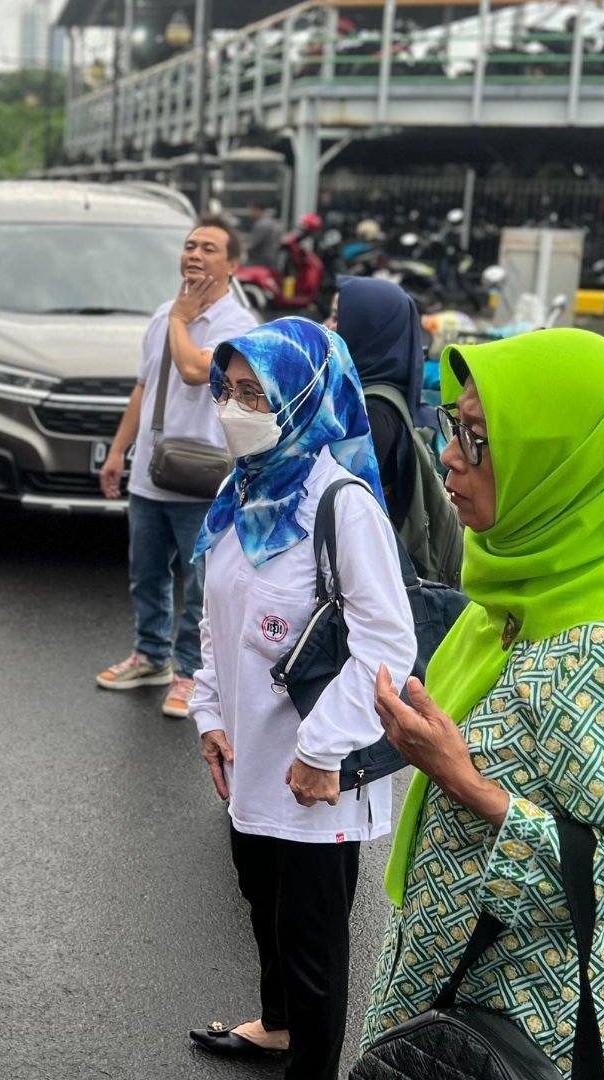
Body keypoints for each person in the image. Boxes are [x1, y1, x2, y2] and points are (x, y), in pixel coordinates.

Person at [364, 329, 604, 1078]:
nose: (450, 455)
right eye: (455, 427)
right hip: (463, 993)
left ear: (564, 463)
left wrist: (465, 781)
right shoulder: (515, 598)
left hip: (533, 1026)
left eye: (479, 439)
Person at [184, 317, 415, 1079]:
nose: (235, 408)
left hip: (321, 764)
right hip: (251, 750)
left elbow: (387, 642)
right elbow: (217, 617)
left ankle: (311, 1066)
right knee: (261, 898)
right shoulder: (239, 490)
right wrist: (210, 715)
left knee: (312, 936)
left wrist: (321, 752)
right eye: (230, 389)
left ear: (306, 396)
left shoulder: (339, 504)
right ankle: (278, 1025)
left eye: (257, 393)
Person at [97, 219, 257, 720]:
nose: (195, 254)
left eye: (209, 248)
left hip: (206, 476)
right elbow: (145, 387)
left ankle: (191, 671)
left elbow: (194, 370)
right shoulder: (166, 314)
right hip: (151, 472)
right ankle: (150, 656)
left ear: (232, 265)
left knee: (201, 584)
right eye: (190, 246)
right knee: (145, 573)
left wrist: (181, 321)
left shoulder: (240, 325)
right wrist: (119, 451)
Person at [328, 276, 429, 519]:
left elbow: (337, 506)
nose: (327, 326)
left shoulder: (372, 413)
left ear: (367, 328)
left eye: (336, 318)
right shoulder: (360, 394)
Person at [246, 202, 284, 268]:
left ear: (257, 210)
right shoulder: (272, 222)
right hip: (273, 260)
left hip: (261, 262)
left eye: (251, 211)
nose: (249, 214)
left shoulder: (261, 225)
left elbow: (252, 245)